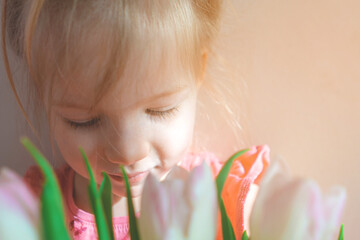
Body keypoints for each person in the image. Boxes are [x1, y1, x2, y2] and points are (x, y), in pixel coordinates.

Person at [2, 0, 270, 239]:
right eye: (84, 121)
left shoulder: (228, 203)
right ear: (44, 95)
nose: (128, 153)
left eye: (159, 110)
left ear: (199, 70)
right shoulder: (29, 215)